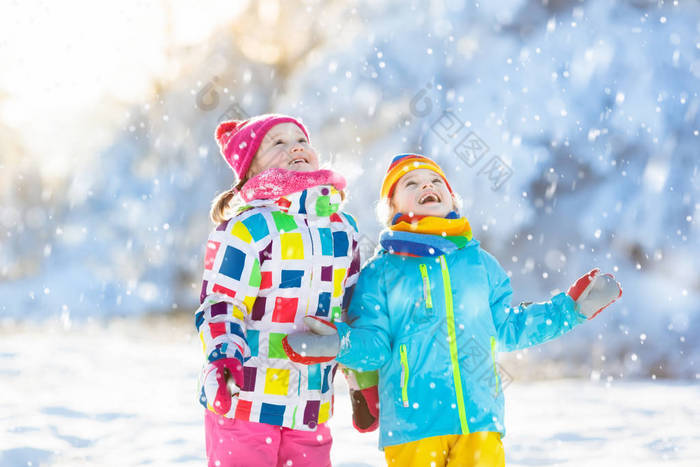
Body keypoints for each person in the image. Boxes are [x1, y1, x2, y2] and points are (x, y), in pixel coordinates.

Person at [283, 153, 622, 467]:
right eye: (411, 184)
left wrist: (570, 309)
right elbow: (374, 346)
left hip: (480, 420)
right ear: (391, 207)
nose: (426, 186)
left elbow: (507, 328)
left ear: (451, 198)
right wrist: (339, 343)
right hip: (414, 426)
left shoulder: (479, 262)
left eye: (435, 181)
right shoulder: (381, 273)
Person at [196, 114, 361, 467]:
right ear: (251, 170)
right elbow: (222, 302)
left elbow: (353, 310)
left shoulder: (342, 231)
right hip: (246, 401)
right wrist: (224, 353)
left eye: (301, 139)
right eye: (278, 143)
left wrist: (362, 379)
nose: (296, 146)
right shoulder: (247, 228)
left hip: (311, 405)